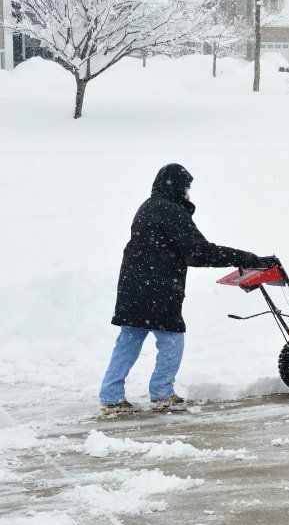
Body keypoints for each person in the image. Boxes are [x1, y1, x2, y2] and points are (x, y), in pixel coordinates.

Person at [99, 163, 273, 414]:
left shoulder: (149, 207)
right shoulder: (170, 211)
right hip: (158, 286)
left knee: (130, 337)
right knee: (171, 339)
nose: (188, 193)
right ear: (175, 187)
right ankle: (162, 393)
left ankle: (111, 394)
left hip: (134, 283)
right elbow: (198, 252)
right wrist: (243, 257)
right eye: (185, 188)